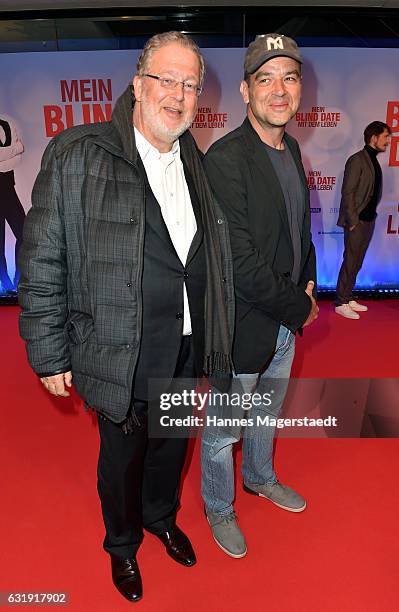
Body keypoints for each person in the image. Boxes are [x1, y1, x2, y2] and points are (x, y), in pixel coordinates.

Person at [18, 32, 234, 603]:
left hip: (185, 345)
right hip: (120, 345)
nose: (179, 95)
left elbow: (206, 258)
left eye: (190, 85)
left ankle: (161, 517)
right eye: (167, 79)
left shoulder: (196, 160)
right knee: (122, 457)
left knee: (171, 446)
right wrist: (48, 351)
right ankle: (122, 544)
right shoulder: (77, 153)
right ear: (138, 85)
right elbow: (42, 257)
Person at [201, 33, 318, 558]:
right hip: (243, 324)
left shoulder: (291, 147)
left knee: (266, 415)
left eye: (289, 78)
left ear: (299, 90)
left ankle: (260, 477)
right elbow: (239, 263)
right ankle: (219, 508)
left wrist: (309, 280)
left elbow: (299, 231)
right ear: (245, 92)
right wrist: (302, 306)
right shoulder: (226, 159)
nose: (279, 90)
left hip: (285, 324)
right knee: (225, 430)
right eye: (265, 79)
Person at [335, 121, 391, 319]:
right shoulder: (357, 160)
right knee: (350, 261)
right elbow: (347, 192)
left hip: (369, 220)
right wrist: (352, 222)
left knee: (357, 261)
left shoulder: (372, 159)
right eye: (385, 137)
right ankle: (341, 301)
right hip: (356, 221)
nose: (388, 141)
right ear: (374, 137)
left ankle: (348, 296)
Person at [0, 114, 26, 292]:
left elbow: (19, 156)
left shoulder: (7, 121)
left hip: (8, 187)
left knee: (24, 234)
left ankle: (18, 279)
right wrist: (15, 149)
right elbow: (18, 149)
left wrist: (6, 156)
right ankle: (5, 282)